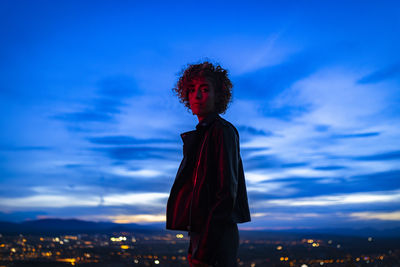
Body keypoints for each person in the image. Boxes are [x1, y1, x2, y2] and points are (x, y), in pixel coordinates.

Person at [166, 61, 251, 267]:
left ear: (218, 95)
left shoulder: (222, 132)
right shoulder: (202, 135)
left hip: (216, 239)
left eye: (205, 89)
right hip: (204, 236)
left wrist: (203, 252)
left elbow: (225, 195)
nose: (196, 95)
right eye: (192, 89)